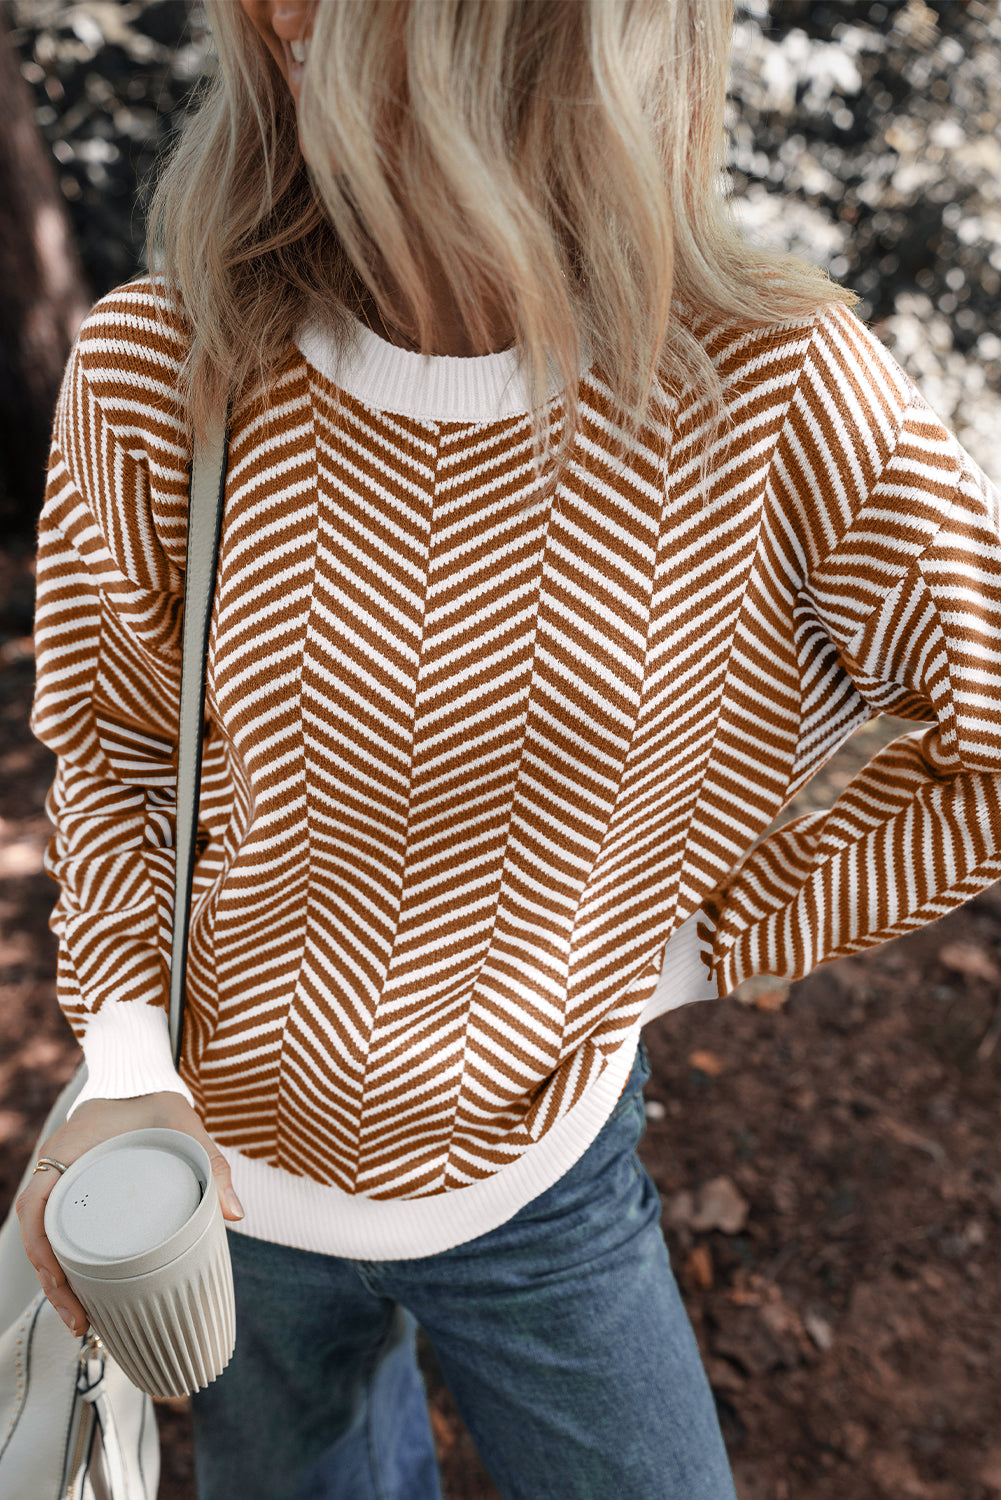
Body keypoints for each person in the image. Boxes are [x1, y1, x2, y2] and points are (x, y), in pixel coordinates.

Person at [15, 1, 1001, 1496]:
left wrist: (693, 949)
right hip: (229, 1193)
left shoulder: (774, 390)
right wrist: (126, 1065)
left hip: (545, 1189)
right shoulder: (164, 366)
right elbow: (115, 754)